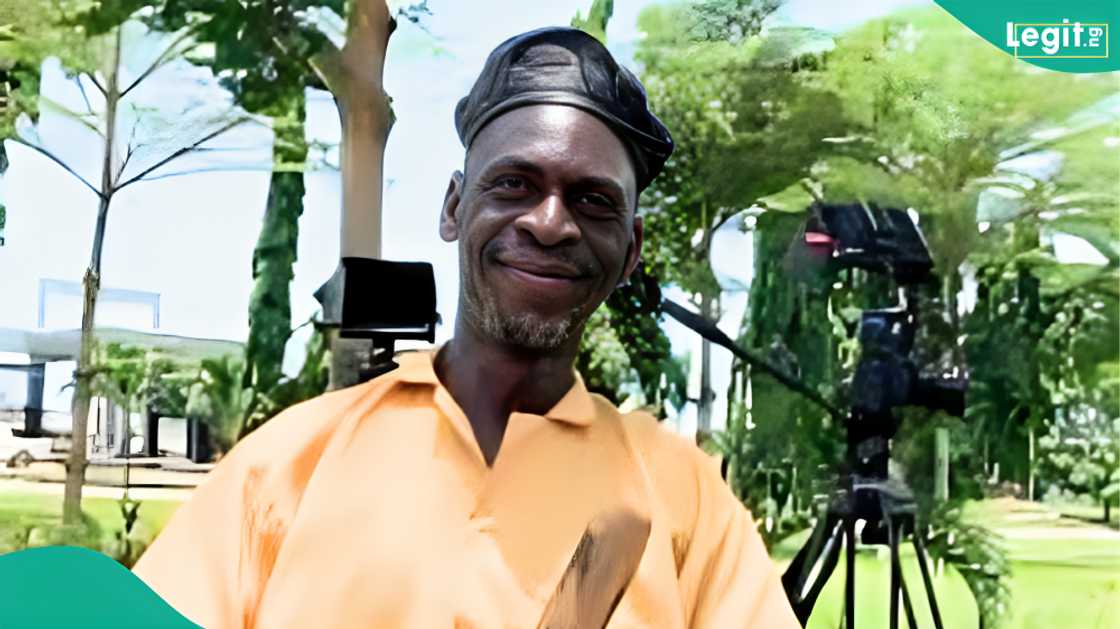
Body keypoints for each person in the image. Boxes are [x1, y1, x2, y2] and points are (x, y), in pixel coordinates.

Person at [133, 27, 799, 628]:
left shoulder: (682, 500)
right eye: (513, 184)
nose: (549, 222)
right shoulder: (288, 465)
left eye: (593, 200)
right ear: (454, 207)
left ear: (629, 251)